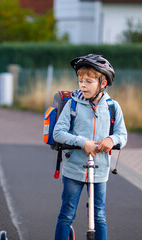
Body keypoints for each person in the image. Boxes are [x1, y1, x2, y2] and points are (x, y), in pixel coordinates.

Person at [53, 54, 127, 240]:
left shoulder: (112, 107)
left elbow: (122, 135)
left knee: (99, 215)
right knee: (67, 213)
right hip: (74, 168)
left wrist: (111, 139)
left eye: (89, 81)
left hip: (100, 170)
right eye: (80, 81)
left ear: (103, 83)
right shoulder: (72, 104)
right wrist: (82, 142)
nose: (82, 85)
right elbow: (58, 133)